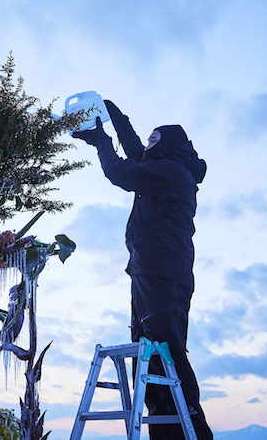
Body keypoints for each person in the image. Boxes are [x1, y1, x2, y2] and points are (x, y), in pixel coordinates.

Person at [72, 99, 213, 440]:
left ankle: (195, 429)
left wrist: (104, 143)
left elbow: (120, 172)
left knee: (167, 351)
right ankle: (163, 431)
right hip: (148, 270)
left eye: (155, 140)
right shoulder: (162, 167)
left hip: (163, 270)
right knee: (149, 354)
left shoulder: (171, 173)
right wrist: (116, 120)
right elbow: (136, 151)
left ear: (168, 146)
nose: (147, 145)